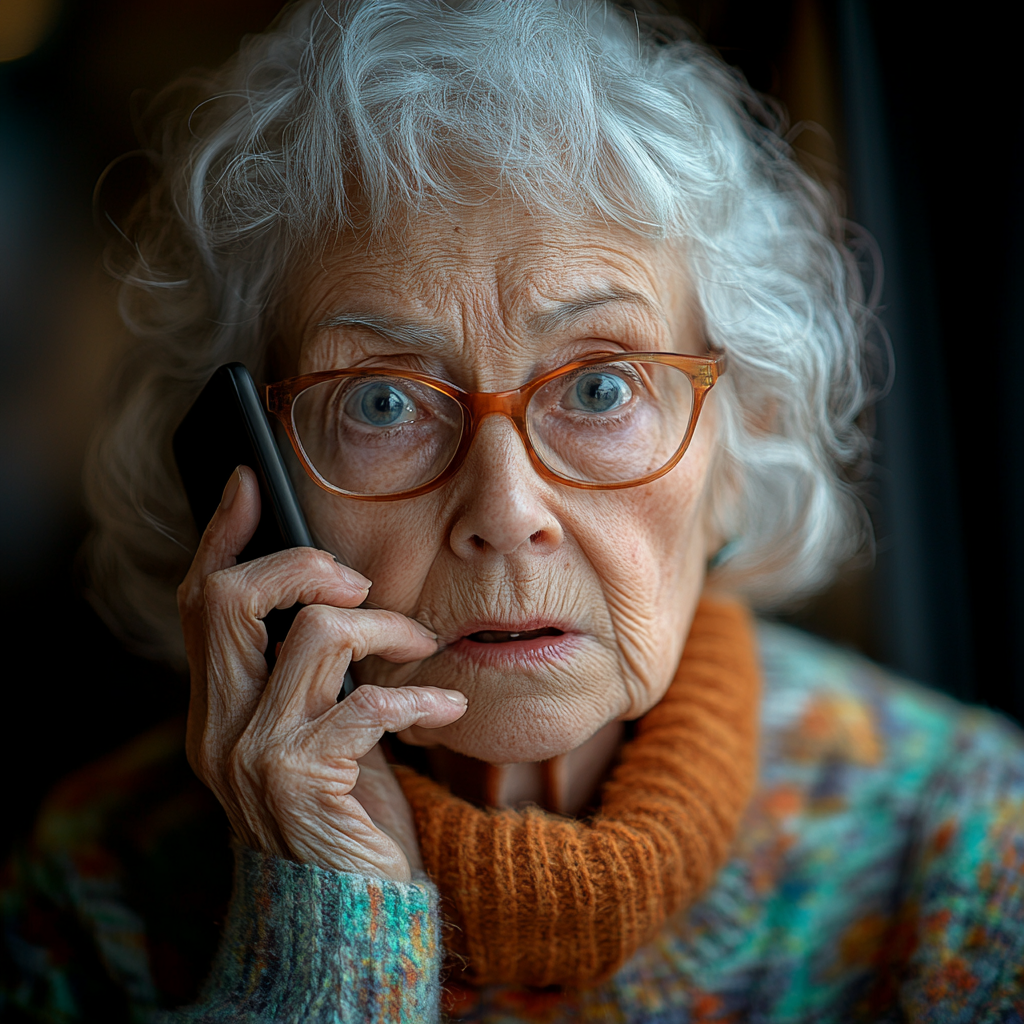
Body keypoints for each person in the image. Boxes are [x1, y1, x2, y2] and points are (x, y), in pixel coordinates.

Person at [3, 1, 1023, 1021]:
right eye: (383, 402)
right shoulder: (99, 887)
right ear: (255, 481)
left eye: (600, 387)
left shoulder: (969, 846)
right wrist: (325, 935)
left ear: (736, 449)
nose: (504, 510)